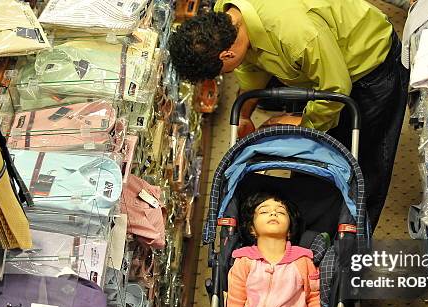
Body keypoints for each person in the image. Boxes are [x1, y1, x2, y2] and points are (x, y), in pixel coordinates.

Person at [169, 0, 410, 231]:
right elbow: (251, 67)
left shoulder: (297, 35)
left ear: (227, 55)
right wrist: (244, 115)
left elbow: (335, 88)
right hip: (322, 69)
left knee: (364, 165)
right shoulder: (229, 13)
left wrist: (302, 123)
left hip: (369, 65)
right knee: (312, 158)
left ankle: (355, 242)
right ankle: (312, 223)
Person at [226, 192, 322, 307]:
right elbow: (235, 302)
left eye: (281, 211)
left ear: (290, 230)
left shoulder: (303, 260)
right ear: (252, 229)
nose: (273, 213)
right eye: (264, 211)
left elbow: (314, 298)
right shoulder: (244, 261)